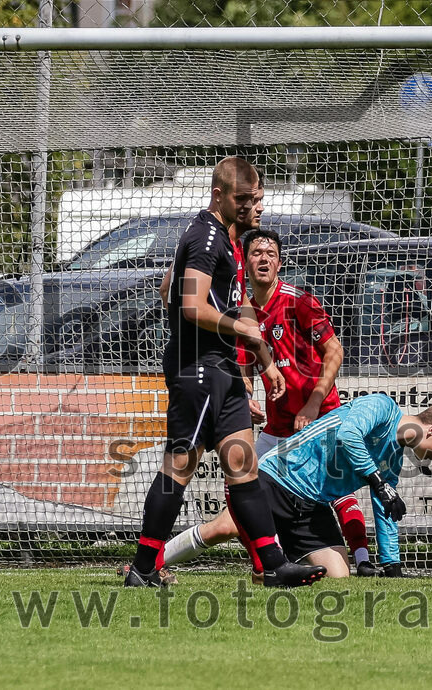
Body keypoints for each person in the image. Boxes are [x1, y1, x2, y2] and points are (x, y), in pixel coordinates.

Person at [125, 156, 326, 589]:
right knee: (179, 467)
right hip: (197, 371)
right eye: (245, 198)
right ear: (219, 195)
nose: (254, 205)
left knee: (243, 464)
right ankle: (143, 568)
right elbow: (190, 304)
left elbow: (180, 290)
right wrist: (233, 329)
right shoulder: (205, 237)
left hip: (224, 370)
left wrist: (265, 359)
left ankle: (272, 565)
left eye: (257, 198)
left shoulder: (231, 239)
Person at [155, 227, 394, 578]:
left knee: (339, 492)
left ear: (280, 263)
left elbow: (335, 352)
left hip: (318, 420)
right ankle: (158, 560)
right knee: (235, 502)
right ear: (245, 263)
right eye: (256, 253)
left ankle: (362, 561)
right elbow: (245, 366)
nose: (263, 258)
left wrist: (313, 404)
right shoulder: (242, 313)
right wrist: (246, 398)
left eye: (270, 253)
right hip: (278, 428)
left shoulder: (300, 301)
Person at [253, 395, 432, 577]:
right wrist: (378, 480)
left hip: (312, 501)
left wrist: (391, 565)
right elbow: (348, 435)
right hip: (279, 475)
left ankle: (283, 553)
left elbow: (385, 508)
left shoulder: (393, 459)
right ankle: (270, 546)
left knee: (338, 574)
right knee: (226, 528)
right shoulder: (382, 405)